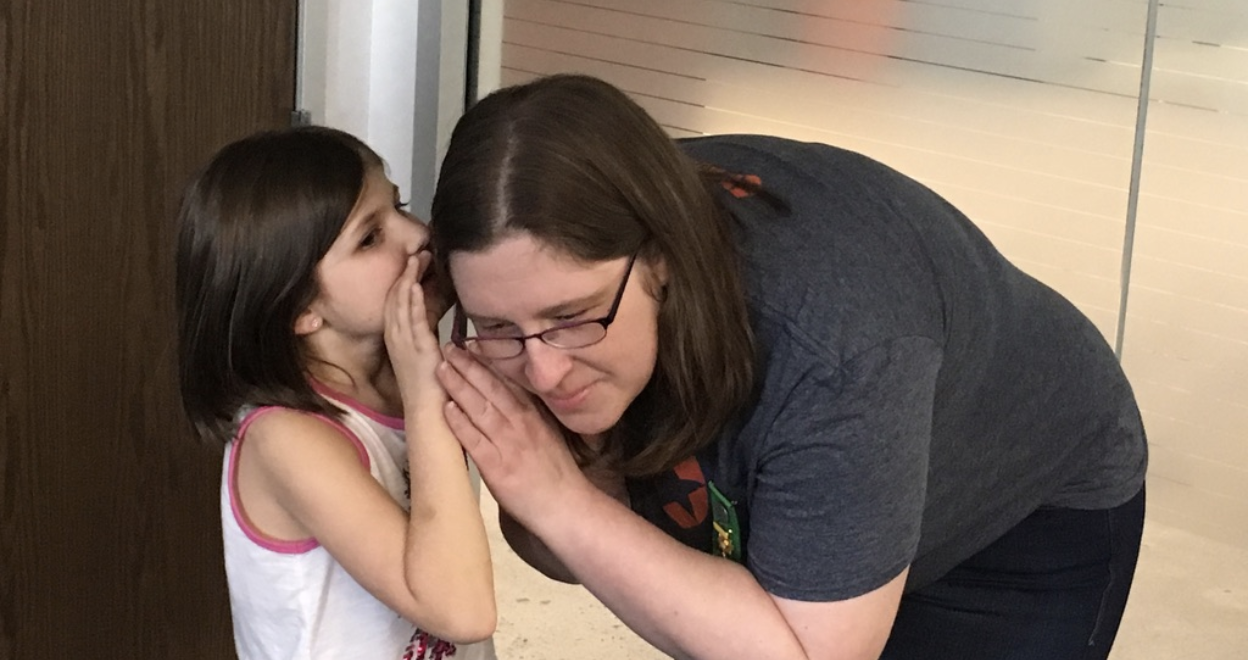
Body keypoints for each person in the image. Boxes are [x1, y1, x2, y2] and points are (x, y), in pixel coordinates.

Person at [428, 74, 1148, 660]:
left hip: (1010, 524)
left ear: (663, 258)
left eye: (572, 317)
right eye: (498, 327)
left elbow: (808, 654)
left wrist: (561, 497)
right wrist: (571, 492)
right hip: (827, 479)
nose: (544, 373)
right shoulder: (563, 283)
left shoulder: (834, 344)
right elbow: (571, 553)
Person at [174, 126, 496, 660]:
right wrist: (424, 395)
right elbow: (461, 610)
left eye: (399, 206)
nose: (417, 235)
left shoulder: (405, 382)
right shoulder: (285, 437)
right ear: (300, 307)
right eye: (370, 238)